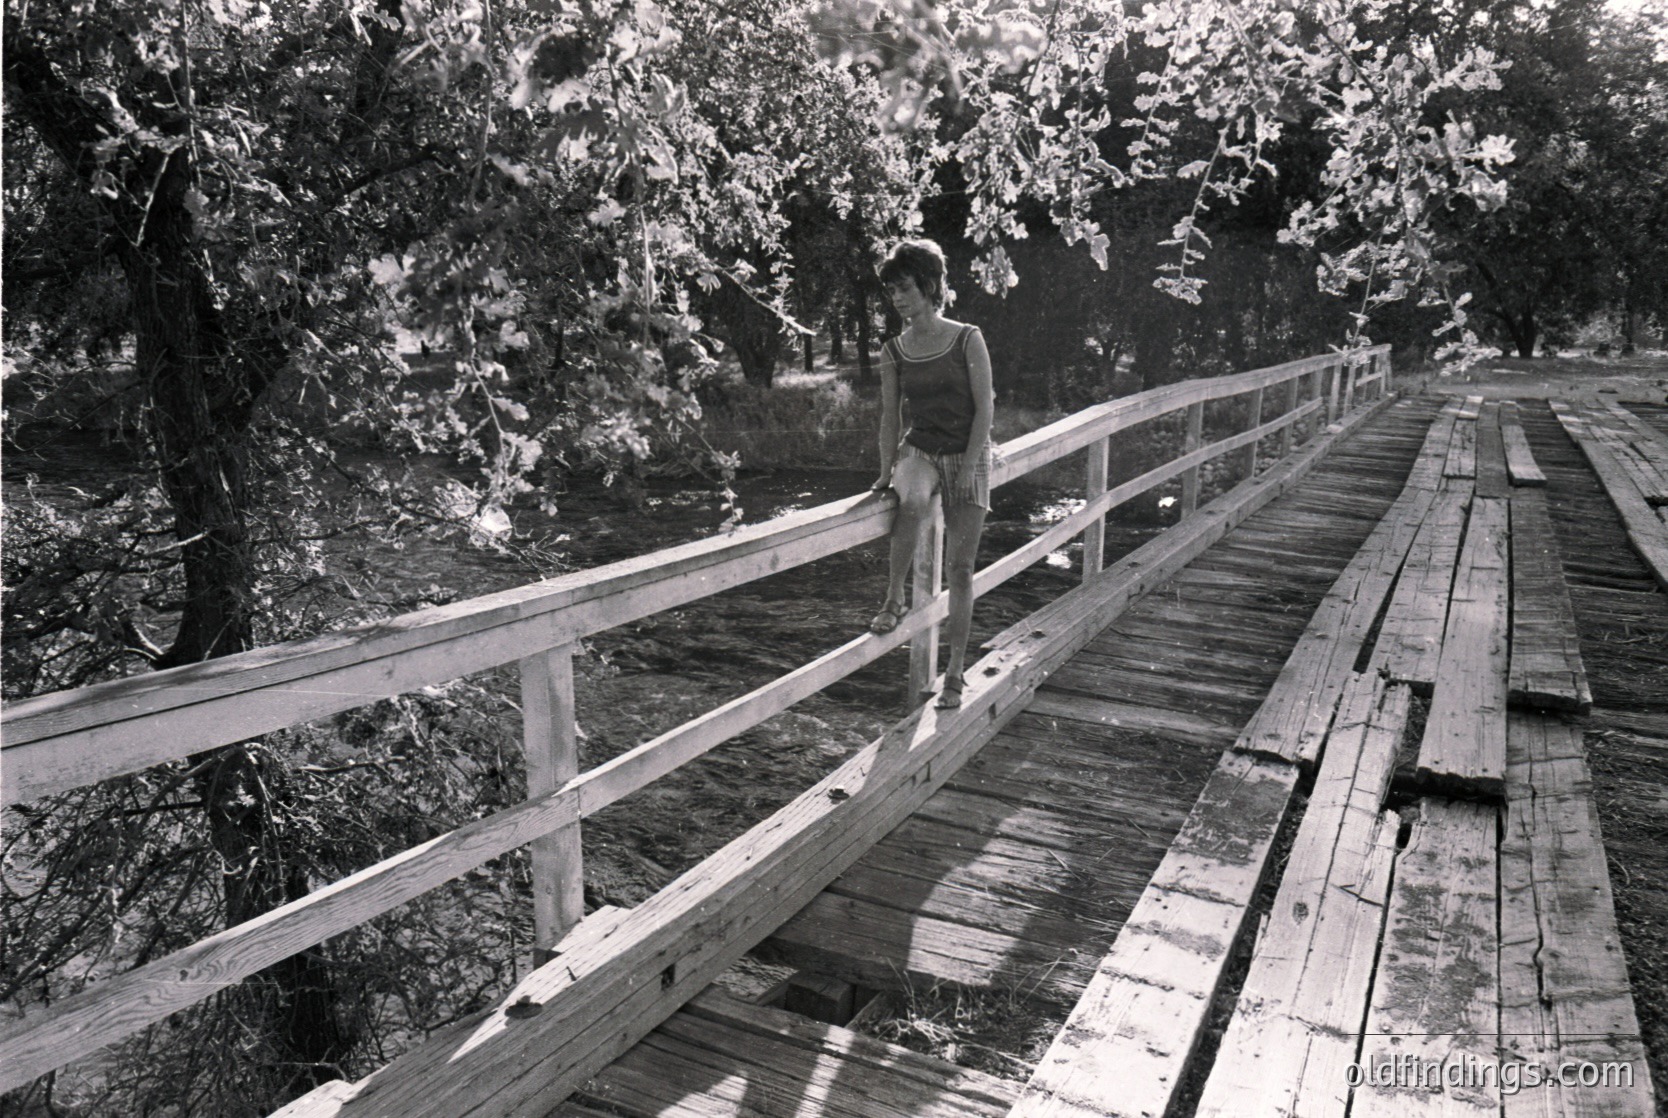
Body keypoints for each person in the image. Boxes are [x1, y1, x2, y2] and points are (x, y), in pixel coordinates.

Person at [867, 239, 994, 711]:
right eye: (892, 291)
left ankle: (955, 672)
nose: (897, 298)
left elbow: (986, 408)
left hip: (970, 452)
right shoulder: (893, 349)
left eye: (904, 288)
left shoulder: (967, 338)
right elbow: (889, 417)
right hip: (921, 449)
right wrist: (885, 471)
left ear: (929, 286)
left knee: (960, 569)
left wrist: (969, 465)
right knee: (913, 500)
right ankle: (894, 597)